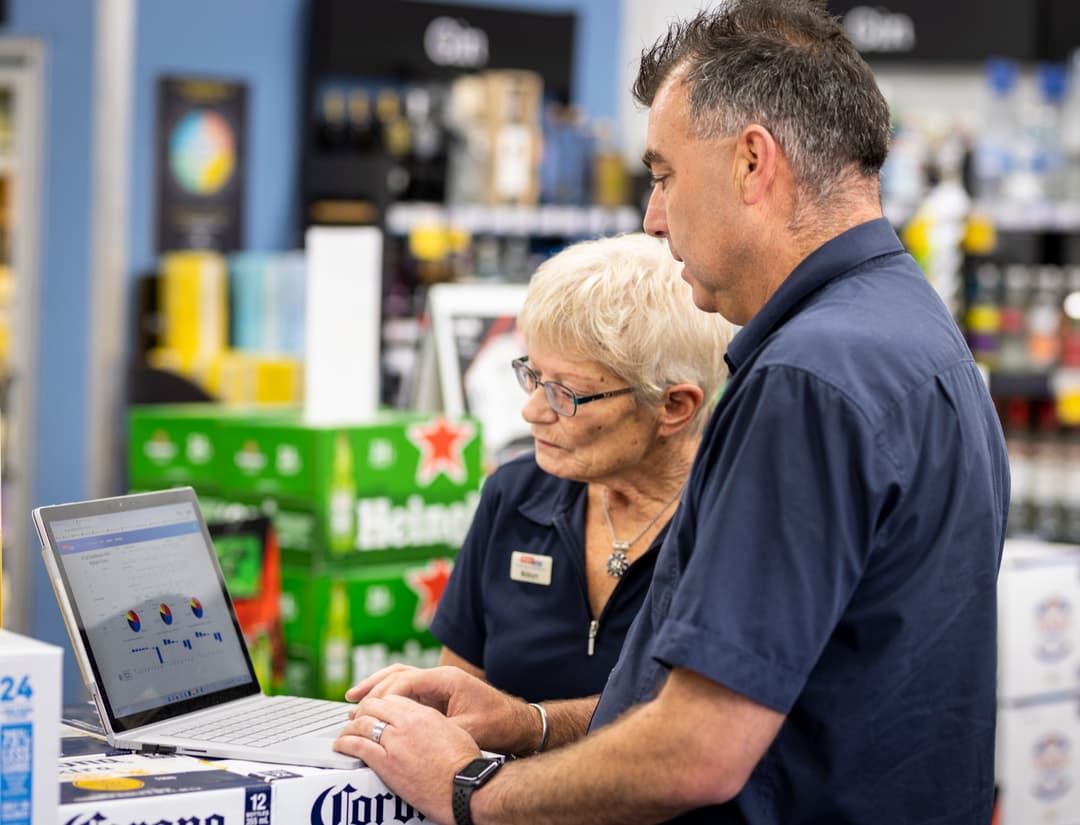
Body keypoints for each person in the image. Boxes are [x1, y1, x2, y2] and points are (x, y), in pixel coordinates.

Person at [335, 2, 1010, 823]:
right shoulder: (921, 333)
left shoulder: (805, 377)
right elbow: (802, 683)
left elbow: (700, 748)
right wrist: (528, 721)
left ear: (752, 162)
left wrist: (469, 787)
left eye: (663, 175)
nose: (653, 218)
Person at [430, 232, 735, 702]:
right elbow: (460, 687)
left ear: (674, 406)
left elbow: (702, 727)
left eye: (565, 394)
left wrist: (529, 727)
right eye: (532, 375)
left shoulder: (731, 526)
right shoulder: (516, 495)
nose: (531, 410)